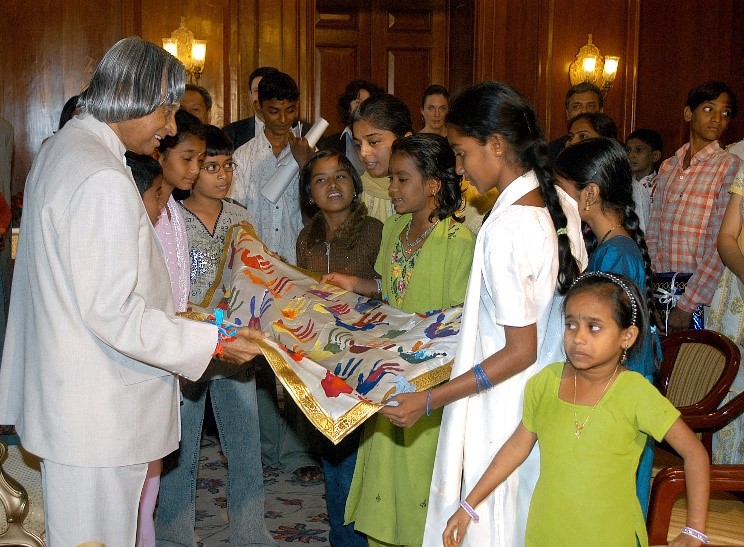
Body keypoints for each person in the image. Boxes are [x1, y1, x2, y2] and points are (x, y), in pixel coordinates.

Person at [0, 36, 265, 546]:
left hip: (76, 401)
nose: (170, 128)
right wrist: (209, 343)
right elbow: (115, 312)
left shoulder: (65, 149)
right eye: (166, 112)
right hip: (99, 412)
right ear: (129, 96)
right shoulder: (100, 176)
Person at [382, 81, 584, 546]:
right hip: (539, 396)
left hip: (504, 404)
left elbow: (519, 349)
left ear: (496, 145)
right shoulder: (557, 203)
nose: (459, 167)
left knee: (492, 523)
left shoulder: (508, 229)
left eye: (461, 152)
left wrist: (430, 400)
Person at [442, 272, 710, 547]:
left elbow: (695, 453)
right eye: (571, 325)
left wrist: (695, 530)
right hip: (546, 532)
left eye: (594, 327)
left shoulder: (635, 393)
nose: (578, 338)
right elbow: (515, 449)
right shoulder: (545, 383)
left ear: (627, 337)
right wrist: (469, 505)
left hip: (609, 536)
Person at [323, 133, 475, 546]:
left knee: (420, 482)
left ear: (433, 185)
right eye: (391, 179)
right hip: (387, 376)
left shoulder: (458, 242)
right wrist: (351, 283)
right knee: (383, 477)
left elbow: (460, 319)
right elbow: (390, 290)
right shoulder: (394, 228)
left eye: (401, 180)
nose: (391, 189)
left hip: (431, 383)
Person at [155, 124, 276, 546]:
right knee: (181, 451)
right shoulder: (169, 214)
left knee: (244, 444)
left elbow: (252, 278)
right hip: (187, 346)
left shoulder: (240, 216)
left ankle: (249, 531)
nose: (222, 175)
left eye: (227, 166)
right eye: (210, 167)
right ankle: (173, 534)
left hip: (233, 346)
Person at [554, 137, 662, 517]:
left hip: (617, 402)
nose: (556, 201)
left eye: (561, 191)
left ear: (590, 194)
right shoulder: (612, 247)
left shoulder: (615, 253)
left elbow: (605, 343)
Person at [229, 69, 321, 482]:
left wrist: (306, 166)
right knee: (263, 366)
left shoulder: (312, 149)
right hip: (261, 272)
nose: (283, 120)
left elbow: (323, 207)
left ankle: (301, 452)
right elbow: (239, 213)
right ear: (258, 109)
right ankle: (269, 448)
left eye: (289, 111)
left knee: (302, 361)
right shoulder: (244, 157)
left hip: (301, 271)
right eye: (273, 112)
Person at [297, 148, 383, 547]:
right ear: (309, 192)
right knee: (332, 455)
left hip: (367, 359)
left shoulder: (377, 231)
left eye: (341, 176)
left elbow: (391, 289)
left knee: (353, 459)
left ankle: (354, 539)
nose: (332, 185)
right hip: (321, 362)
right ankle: (340, 536)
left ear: (355, 182)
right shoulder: (307, 236)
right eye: (320, 179)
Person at [646, 81, 741, 334]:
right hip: (663, 287)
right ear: (689, 113)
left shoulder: (728, 165)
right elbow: (654, 231)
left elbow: (718, 243)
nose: (718, 119)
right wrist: (653, 289)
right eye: (709, 109)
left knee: (697, 368)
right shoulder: (668, 166)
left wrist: (688, 303)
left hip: (701, 293)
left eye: (725, 113)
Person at [351, 93, 414, 223]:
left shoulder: (429, 190)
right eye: (358, 145)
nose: (363, 153)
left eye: (373, 142)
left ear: (405, 140)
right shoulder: (356, 192)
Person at [222, 66, 305, 149]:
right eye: (257, 91)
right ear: (250, 95)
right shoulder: (230, 133)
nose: (261, 96)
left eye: (270, 91)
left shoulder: (306, 131)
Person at [317, 79, 385, 175]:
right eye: (358, 103)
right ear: (348, 107)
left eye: (368, 103)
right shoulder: (328, 144)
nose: (363, 108)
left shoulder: (385, 140)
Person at [547, 82, 603, 160]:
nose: (584, 111)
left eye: (590, 106)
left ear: (601, 111)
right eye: (577, 106)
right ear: (567, 113)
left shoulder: (613, 150)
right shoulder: (551, 152)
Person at [625, 128, 663, 234]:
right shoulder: (624, 185)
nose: (631, 155)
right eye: (628, 150)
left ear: (655, 156)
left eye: (639, 150)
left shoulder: (660, 186)